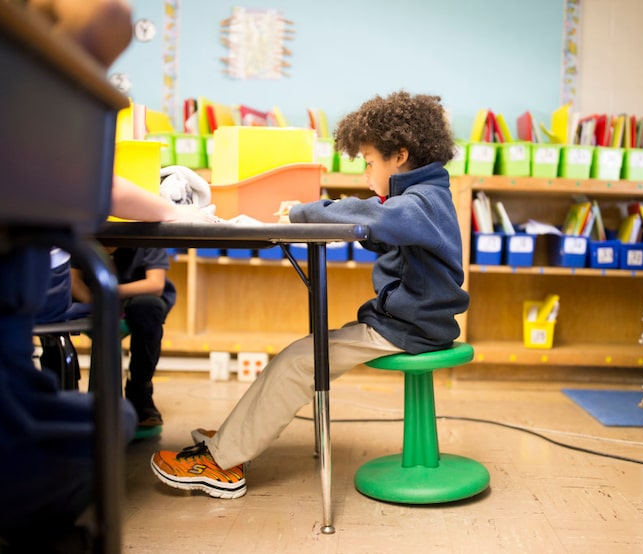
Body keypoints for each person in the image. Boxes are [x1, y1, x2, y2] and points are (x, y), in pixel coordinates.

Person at [0, 1, 214, 550]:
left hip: (47, 303)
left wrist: (168, 213)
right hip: (29, 308)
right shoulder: (19, 104)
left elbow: (142, 278)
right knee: (100, 417)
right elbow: (107, 20)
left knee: (146, 315)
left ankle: (138, 394)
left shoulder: (25, 129)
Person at [150, 90, 470, 499]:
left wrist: (304, 211)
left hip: (411, 328)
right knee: (300, 355)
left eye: (370, 163)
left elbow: (378, 217)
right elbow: (391, 235)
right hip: (407, 321)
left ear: (401, 156)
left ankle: (222, 462)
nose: (366, 175)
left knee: (298, 361)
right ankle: (235, 437)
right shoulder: (423, 198)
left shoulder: (421, 202)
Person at [70, 246, 177, 436]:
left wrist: (109, 291)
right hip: (91, 296)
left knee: (149, 309)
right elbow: (73, 280)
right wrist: (96, 302)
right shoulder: (87, 232)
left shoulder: (146, 234)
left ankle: (140, 390)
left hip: (134, 295)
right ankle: (68, 394)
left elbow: (155, 284)